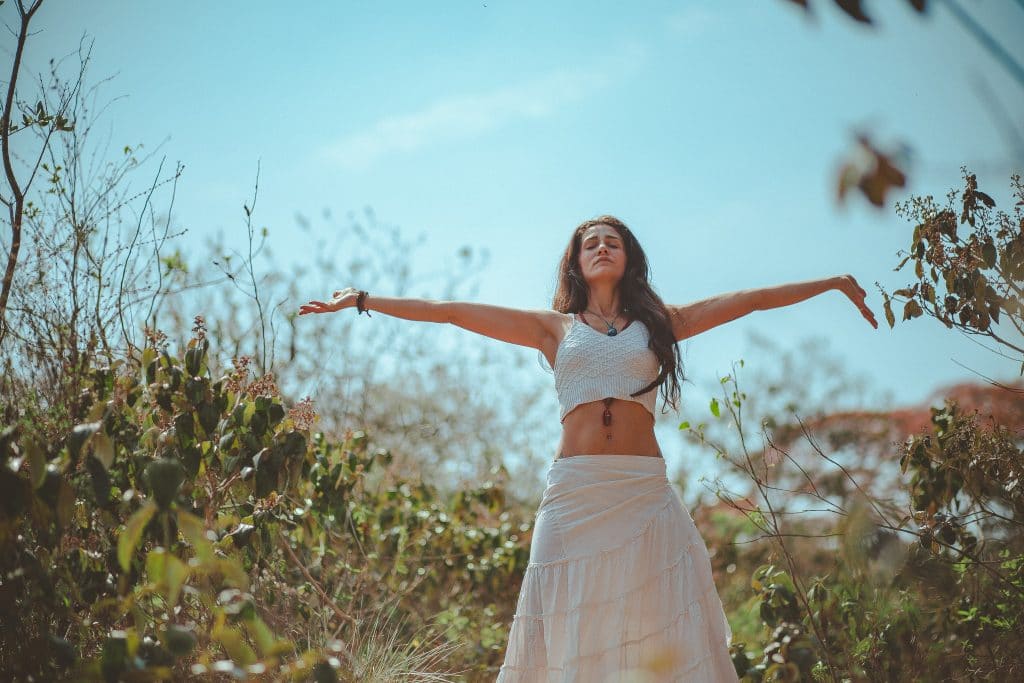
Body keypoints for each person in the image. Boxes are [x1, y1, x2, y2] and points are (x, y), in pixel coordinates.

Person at [298, 215, 877, 682]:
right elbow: (450, 312)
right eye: (590, 243)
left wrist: (828, 283)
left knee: (656, 623)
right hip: (574, 493)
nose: (602, 248)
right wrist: (364, 300)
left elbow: (749, 299)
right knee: (562, 621)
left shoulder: (660, 324)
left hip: (642, 491)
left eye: (613, 242)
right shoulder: (552, 328)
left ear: (629, 257)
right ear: (576, 261)